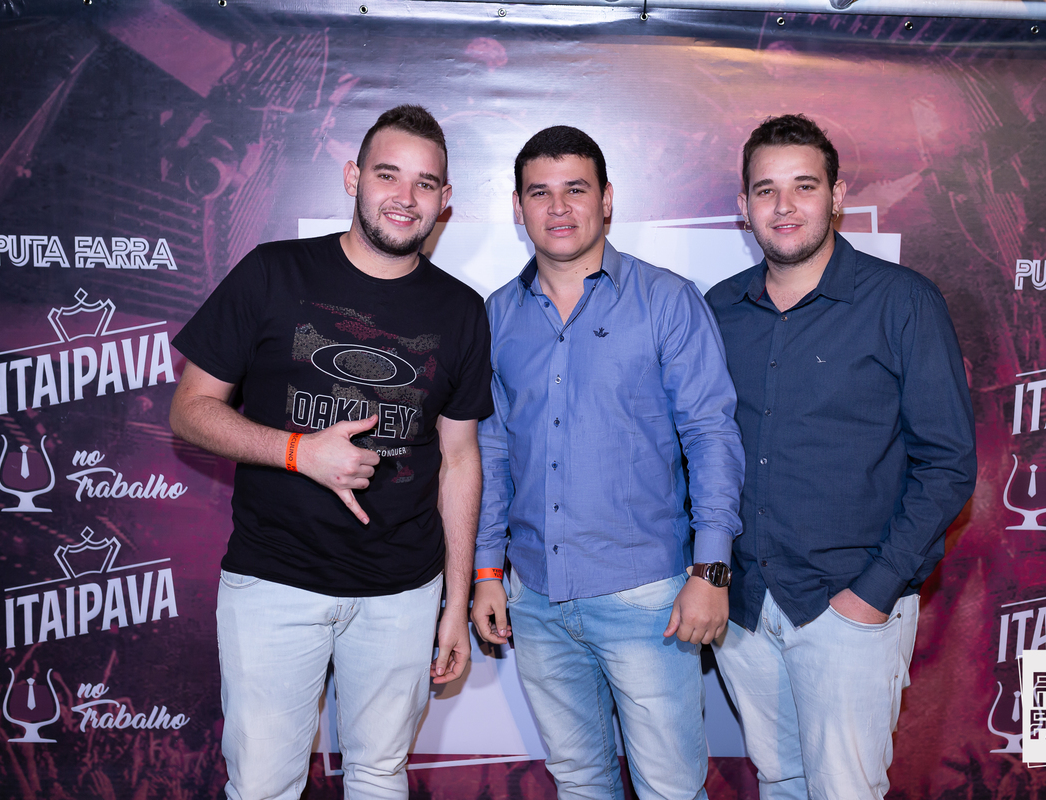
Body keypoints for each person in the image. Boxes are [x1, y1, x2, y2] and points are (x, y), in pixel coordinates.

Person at [168, 105, 492, 800]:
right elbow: (190, 410)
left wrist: (455, 601)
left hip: (404, 590)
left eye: (425, 183)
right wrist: (297, 452)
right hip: (275, 580)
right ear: (352, 177)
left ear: (445, 199)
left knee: (379, 776)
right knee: (263, 786)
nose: (405, 197)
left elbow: (461, 459)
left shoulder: (462, 310)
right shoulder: (272, 272)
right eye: (387, 174)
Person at [705, 114, 977, 800]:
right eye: (765, 190)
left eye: (804, 185)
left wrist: (872, 593)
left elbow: (947, 464)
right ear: (743, 206)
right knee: (781, 782)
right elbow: (699, 450)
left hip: (849, 604)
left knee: (846, 791)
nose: (784, 205)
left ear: (837, 195)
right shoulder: (718, 310)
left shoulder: (903, 302)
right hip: (744, 605)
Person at [470, 125, 745, 800]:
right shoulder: (498, 314)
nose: (558, 208)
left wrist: (711, 569)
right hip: (535, 599)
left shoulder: (666, 300)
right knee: (579, 781)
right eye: (540, 193)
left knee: (670, 789)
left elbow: (710, 434)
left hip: (647, 599)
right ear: (518, 206)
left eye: (575, 189)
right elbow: (493, 452)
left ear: (608, 198)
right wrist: (486, 571)